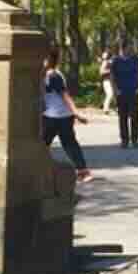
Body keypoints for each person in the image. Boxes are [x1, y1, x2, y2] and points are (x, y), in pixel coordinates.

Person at [42, 48, 93, 183]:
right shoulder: (47, 74)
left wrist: (76, 113)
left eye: (44, 59)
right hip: (56, 115)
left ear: (50, 60)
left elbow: (65, 96)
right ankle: (82, 171)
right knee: (67, 143)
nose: (42, 61)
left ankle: (83, 172)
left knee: (46, 143)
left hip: (56, 117)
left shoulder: (53, 76)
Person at [111, 41, 138, 149]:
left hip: (134, 92)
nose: (131, 51)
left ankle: (135, 139)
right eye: (129, 49)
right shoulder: (116, 61)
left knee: (135, 116)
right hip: (121, 93)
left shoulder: (136, 60)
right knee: (122, 117)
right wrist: (115, 90)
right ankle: (124, 140)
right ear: (123, 49)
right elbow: (112, 77)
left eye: (132, 49)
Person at [99, 48, 115, 115]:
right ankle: (105, 109)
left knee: (112, 95)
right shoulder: (105, 62)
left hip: (111, 81)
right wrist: (109, 71)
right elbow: (101, 72)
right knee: (110, 94)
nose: (104, 56)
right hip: (107, 81)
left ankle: (108, 108)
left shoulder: (109, 62)